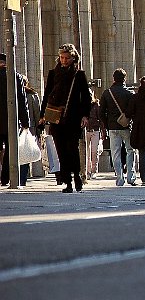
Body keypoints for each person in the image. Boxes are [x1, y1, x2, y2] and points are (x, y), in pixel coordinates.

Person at [39, 44, 92, 193]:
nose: (64, 60)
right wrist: (42, 115)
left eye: (67, 58)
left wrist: (85, 115)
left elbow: (86, 98)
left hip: (73, 117)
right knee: (61, 150)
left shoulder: (79, 75)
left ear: (73, 58)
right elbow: (47, 94)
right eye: (62, 58)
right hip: (56, 117)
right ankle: (67, 182)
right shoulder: (53, 73)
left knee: (72, 149)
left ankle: (77, 177)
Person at [100, 68, 137, 186]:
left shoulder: (107, 93)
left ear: (113, 78)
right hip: (126, 126)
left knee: (115, 152)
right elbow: (133, 110)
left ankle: (119, 177)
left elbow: (101, 112)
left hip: (112, 126)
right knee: (130, 150)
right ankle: (131, 176)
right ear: (124, 79)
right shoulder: (129, 93)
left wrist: (106, 124)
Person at [0, 53, 30, 187]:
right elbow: (22, 101)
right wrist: (25, 122)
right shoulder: (15, 77)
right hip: (10, 122)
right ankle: (6, 178)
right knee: (11, 150)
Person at [20, 76, 41, 186]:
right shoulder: (32, 95)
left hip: (20, 128)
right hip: (29, 128)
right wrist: (38, 130)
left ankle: (18, 178)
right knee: (25, 152)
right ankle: (22, 179)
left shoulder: (12, 93)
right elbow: (37, 114)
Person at [84, 92, 105, 180]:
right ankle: (87, 171)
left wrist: (103, 131)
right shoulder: (81, 106)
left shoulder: (96, 105)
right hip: (85, 131)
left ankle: (94, 170)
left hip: (95, 130)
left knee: (94, 151)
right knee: (87, 152)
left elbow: (100, 119)